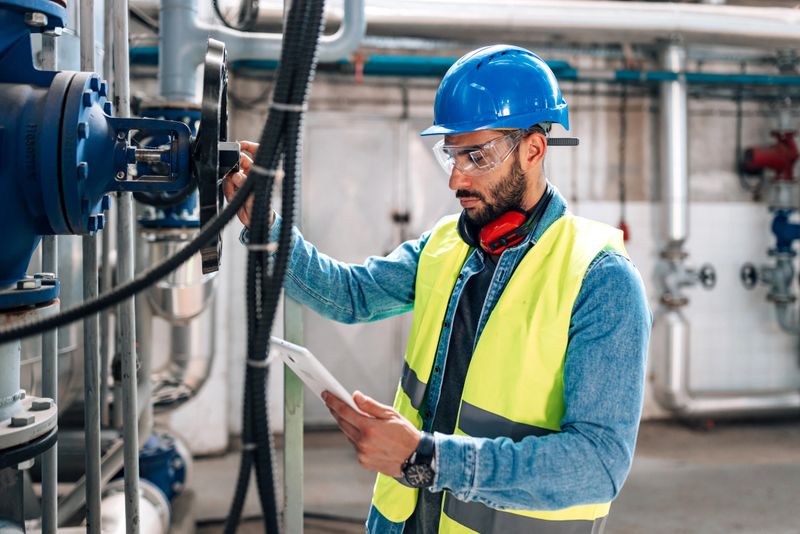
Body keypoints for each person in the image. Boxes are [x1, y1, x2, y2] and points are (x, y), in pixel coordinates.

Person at [223, 44, 651, 534]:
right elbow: (348, 295)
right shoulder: (447, 244)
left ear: (534, 150)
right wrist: (266, 227)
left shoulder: (601, 278)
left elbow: (598, 465)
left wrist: (426, 458)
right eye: (451, 155)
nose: (456, 179)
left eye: (477, 156)